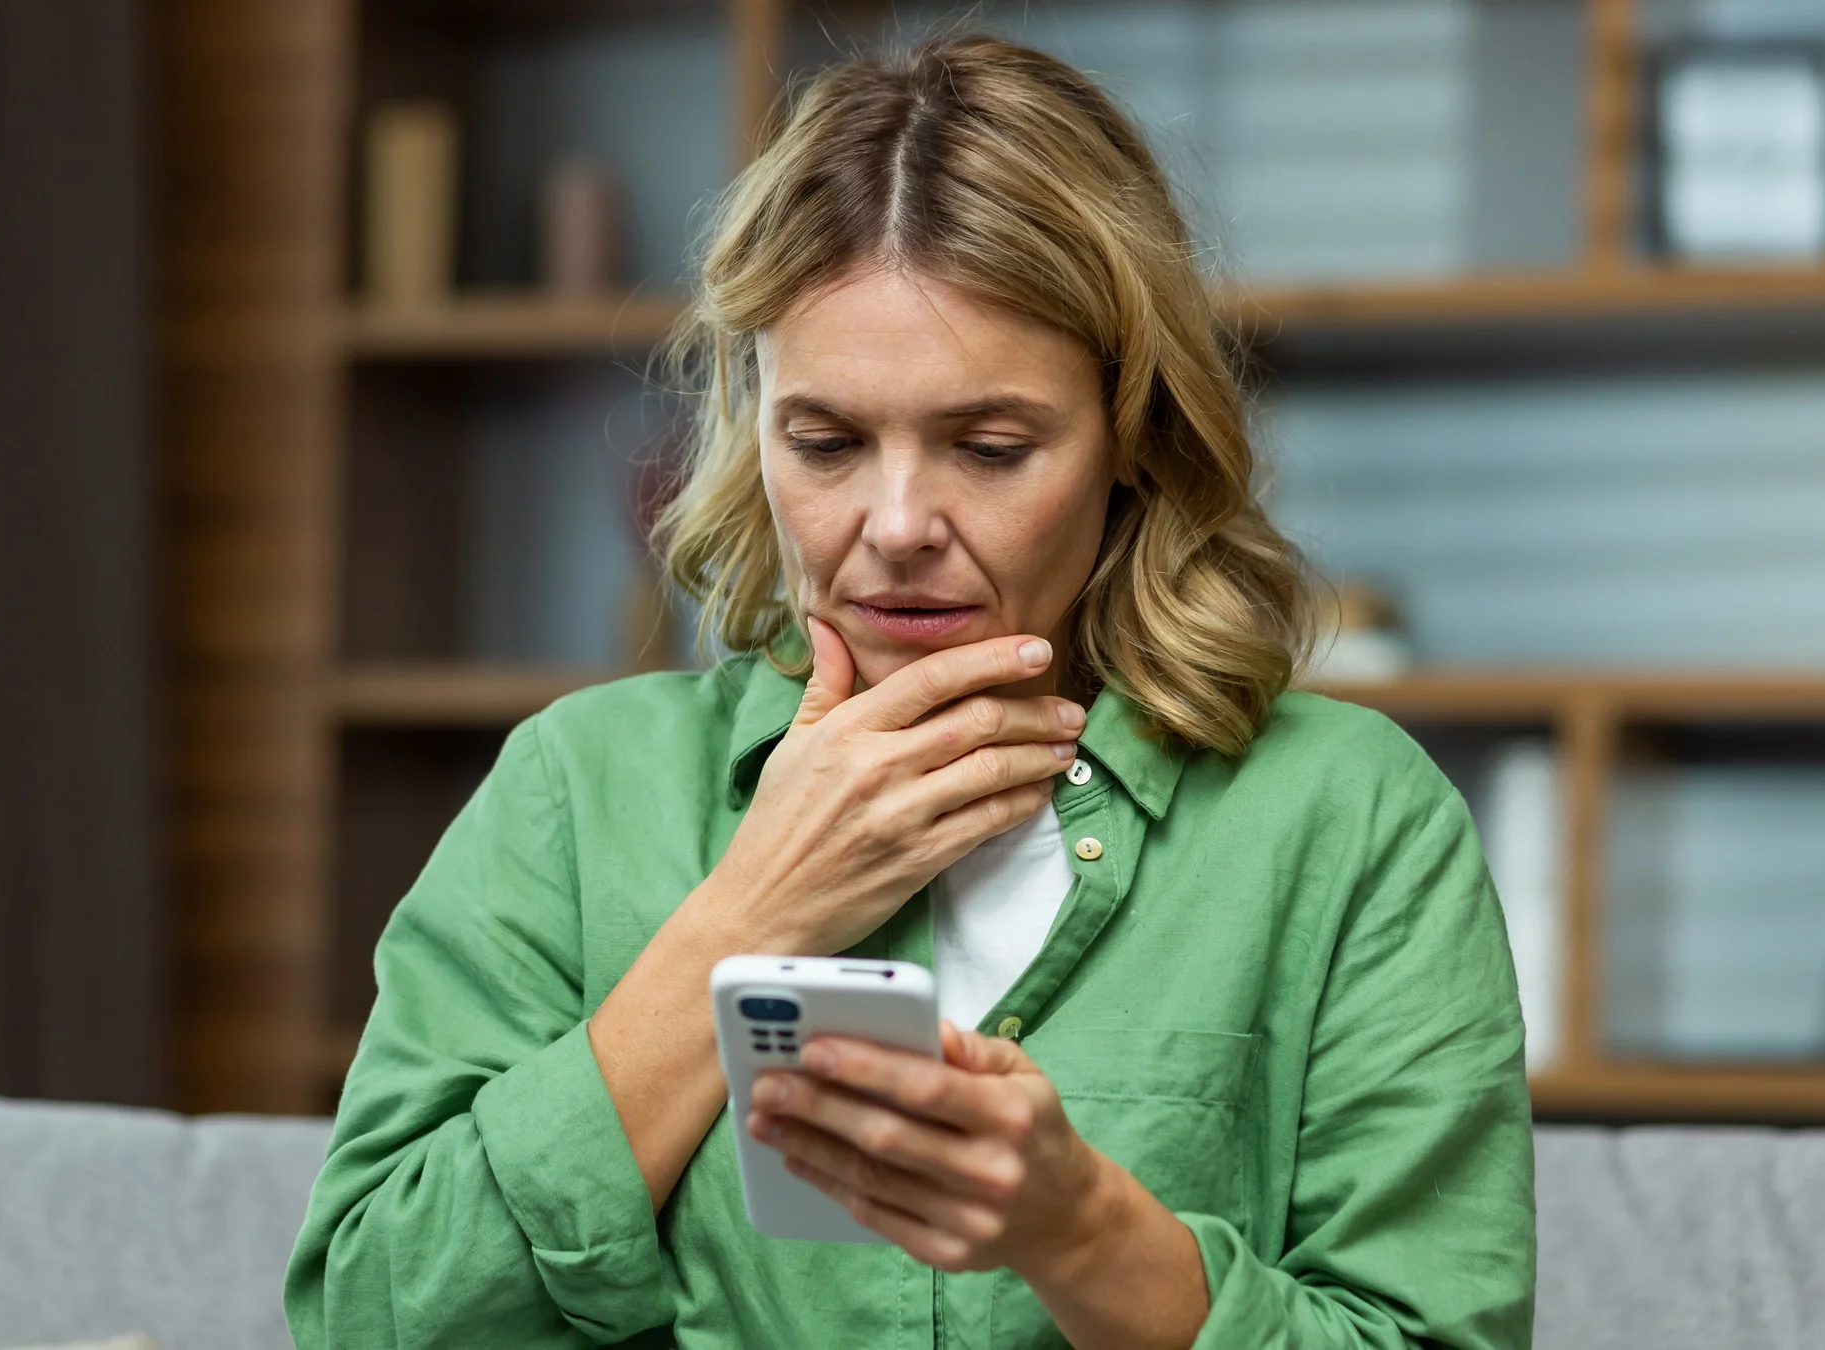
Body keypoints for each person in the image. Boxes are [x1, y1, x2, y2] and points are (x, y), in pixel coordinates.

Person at [287, 32, 1535, 1350]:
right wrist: (752, 910)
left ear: (1132, 435)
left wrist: (1086, 1232)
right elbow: (369, 1313)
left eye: (990, 447)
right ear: (751, 418)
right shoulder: (578, 789)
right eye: (823, 441)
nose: (895, 524)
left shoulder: (1348, 821)